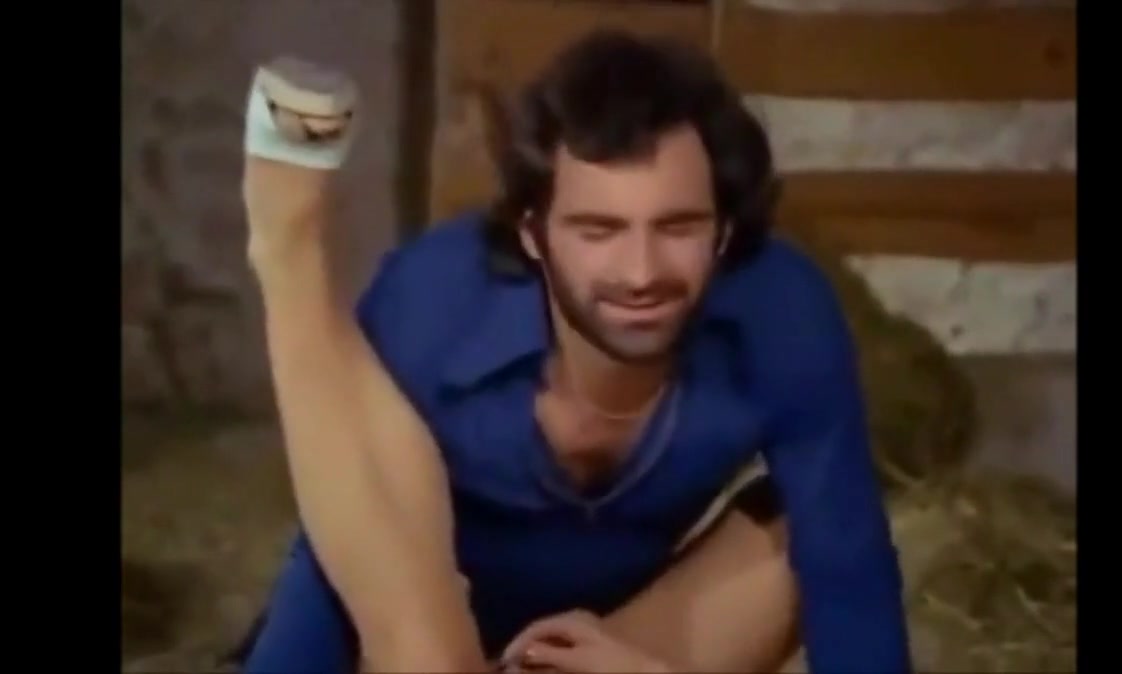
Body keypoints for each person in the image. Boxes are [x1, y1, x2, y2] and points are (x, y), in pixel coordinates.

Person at [238, 28, 911, 673]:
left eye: (678, 227)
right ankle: (290, 252)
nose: (642, 272)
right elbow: (338, 552)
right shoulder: (435, 301)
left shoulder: (783, 310)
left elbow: (847, 565)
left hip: (597, 646)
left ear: (724, 230)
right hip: (424, 638)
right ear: (533, 234)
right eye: (598, 230)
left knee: (800, 532)